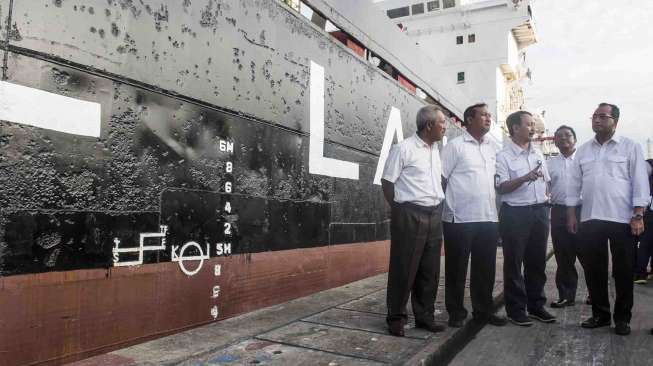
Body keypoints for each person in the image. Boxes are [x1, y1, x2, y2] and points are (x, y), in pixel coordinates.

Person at [567, 103, 649, 336]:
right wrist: (572, 214)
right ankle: (601, 315)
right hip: (591, 217)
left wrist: (638, 214)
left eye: (603, 116)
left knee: (623, 271)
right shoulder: (583, 150)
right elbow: (574, 185)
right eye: (594, 116)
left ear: (615, 121)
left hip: (622, 219)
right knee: (594, 270)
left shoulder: (630, 147)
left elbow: (640, 182)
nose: (597, 120)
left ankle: (622, 318)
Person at [381, 105, 447, 337]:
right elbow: (388, 183)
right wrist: (401, 210)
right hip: (410, 213)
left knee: (430, 270)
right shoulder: (403, 148)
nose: (445, 127)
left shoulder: (435, 150)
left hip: (435, 213)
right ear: (429, 125)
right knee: (404, 269)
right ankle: (396, 318)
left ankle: (424, 316)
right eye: (442, 123)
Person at [440, 103, 507, 328]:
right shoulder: (454, 147)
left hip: (488, 218)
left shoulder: (493, 148)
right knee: (456, 269)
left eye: (490, 116)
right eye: (484, 115)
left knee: (485, 270)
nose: (489, 119)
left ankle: (483, 311)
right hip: (459, 219)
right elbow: (441, 179)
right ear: (469, 119)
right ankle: (456, 312)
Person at [496, 110, 556, 326]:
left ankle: (536, 306)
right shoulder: (502, 156)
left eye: (533, 125)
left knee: (537, 262)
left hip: (540, 211)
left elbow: (546, 180)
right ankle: (516, 310)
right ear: (515, 128)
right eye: (529, 124)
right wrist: (525, 178)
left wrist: (547, 196)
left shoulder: (538, 153)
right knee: (514, 264)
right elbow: (501, 187)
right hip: (515, 214)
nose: (533, 128)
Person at [547, 125, 581, 308]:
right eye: (558, 136)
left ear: (575, 138)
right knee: (563, 256)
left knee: (590, 255)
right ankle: (566, 295)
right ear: (554, 142)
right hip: (559, 211)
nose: (563, 138)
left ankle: (595, 293)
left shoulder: (584, 159)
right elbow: (544, 187)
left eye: (568, 134)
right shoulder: (550, 163)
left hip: (583, 211)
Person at [634, 159, 653, 284]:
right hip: (649, 212)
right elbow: (639, 176)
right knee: (646, 243)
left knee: (646, 243)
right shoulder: (649, 164)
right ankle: (640, 273)